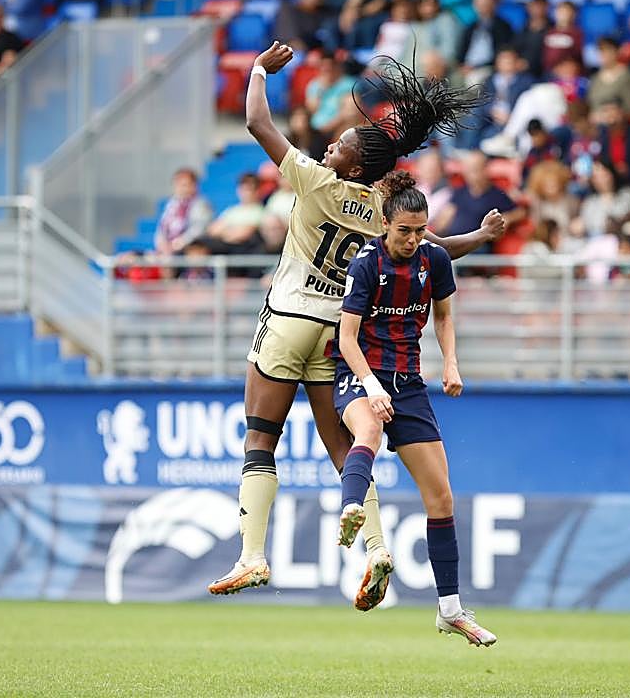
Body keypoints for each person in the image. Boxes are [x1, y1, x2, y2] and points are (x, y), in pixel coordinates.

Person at [208, 42, 504, 604]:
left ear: (354, 163)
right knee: (344, 448)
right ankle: (375, 548)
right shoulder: (381, 213)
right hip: (337, 337)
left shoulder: (315, 182)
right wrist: (483, 237)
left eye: (340, 143)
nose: (330, 144)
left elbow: (254, 120)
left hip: (289, 318)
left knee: (259, 439)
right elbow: (436, 248)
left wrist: (256, 72)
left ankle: (251, 555)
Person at [332, 171, 497, 647]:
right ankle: (351, 510)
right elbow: (346, 337)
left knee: (442, 498)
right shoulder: (366, 264)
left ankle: (450, 610)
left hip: (408, 385)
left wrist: (451, 364)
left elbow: (443, 316)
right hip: (360, 371)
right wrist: (369, 384)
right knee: (367, 433)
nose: (413, 238)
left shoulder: (435, 260)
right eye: (404, 230)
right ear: (385, 224)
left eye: (420, 230)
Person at [434, 150, 525, 241]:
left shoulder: (496, 194)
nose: (470, 174)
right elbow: (444, 218)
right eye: (467, 170)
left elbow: (520, 212)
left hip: (477, 245)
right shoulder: (459, 192)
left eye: (474, 170)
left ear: (485, 170)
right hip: (453, 241)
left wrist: (508, 218)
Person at [457, 0, 514, 85]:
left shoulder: (502, 26)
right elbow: (461, 52)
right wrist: (461, 66)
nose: (482, 4)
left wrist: (475, 67)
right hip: (466, 68)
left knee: (473, 81)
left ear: (494, 3)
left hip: (487, 69)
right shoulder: (470, 27)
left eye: (486, 1)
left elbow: (500, 54)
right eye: (479, 1)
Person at [154, 168, 213, 254]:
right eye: (178, 185)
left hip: (189, 247)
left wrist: (181, 242)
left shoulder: (201, 204)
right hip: (169, 248)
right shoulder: (171, 204)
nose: (181, 189)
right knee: (131, 257)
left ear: (194, 186)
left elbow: (199, 229)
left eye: (185, 185)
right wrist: (161, 244)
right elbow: (162, 229)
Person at [587, 36, 630, 112]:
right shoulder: (595, 78)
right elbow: (591, 104)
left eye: (607, 50)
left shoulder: (626, 76)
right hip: (596, 121)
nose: (603, 54)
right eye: (600, 50)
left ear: (617, 51)